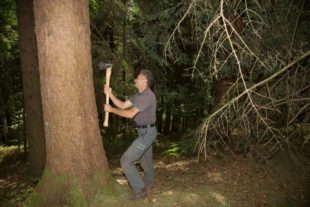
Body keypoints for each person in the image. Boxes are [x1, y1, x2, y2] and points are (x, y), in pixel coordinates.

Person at [103, 69, 157, 200]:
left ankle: (140, 191)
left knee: (126, 160)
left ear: (145, 81)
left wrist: (111, 110)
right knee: (145, 161)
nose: (135, 80)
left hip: (147, 133)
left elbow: (130, 113)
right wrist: (110, 94)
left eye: (138, 78)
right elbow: (122, 105)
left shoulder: (147, 96)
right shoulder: (138, 95)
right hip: (144, 131)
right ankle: (149, 183)